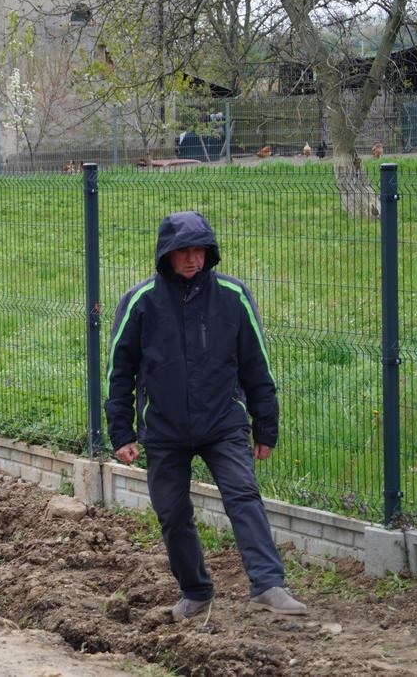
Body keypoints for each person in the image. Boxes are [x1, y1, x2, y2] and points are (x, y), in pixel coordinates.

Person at [104, 211, 307, 619]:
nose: (193, 259)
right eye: (184, 252)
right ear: (166, 255)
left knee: (244, 497)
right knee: (173, 514)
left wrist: (266, 427)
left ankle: (268, 584)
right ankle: (196, 592)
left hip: (223, 423)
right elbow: (118, 370)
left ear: (209, 253)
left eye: (199, 250)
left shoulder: (233, 296)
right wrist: (121, 431)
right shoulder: (140, 302)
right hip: (163, 429)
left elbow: (257, 366)